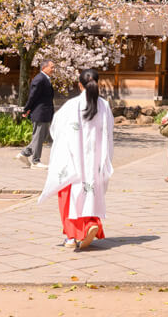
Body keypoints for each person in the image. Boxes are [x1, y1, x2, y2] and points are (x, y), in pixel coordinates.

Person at [38, 68, 114, 251]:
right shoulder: (104, 106)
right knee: (90, 195)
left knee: (68, 197)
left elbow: (56, 128)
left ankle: (72, 236)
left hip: (73, 161)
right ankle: (90, 225)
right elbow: (109, 133)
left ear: (80, 85)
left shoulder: (72, 106)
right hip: (94, 163)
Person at [17, 59, 55, 169]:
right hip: (40, 112)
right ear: (44, 68)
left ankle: (24, 154)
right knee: (38, 137)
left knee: (41, 137)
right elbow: (32, 97)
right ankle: (35, 161)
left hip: (45, 113)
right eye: (51, 67)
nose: (53, 69)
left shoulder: (45, 79)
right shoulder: (39, 79)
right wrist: (26, 109)